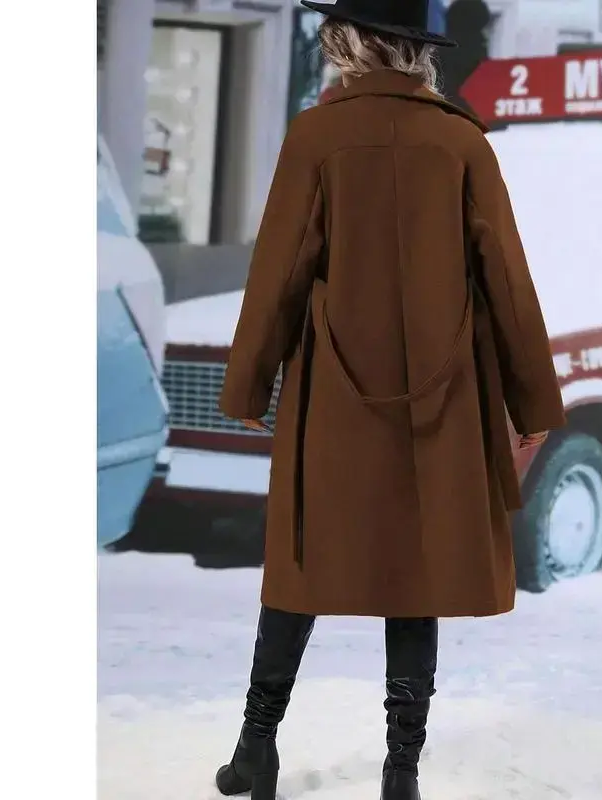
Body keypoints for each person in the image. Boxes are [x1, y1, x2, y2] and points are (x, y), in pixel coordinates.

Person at [215, 1, 566, 798]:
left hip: (331, 397)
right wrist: (534, 405)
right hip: (443, 399)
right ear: (415, 50)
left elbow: (280, 271)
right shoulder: (462, 142)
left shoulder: (317, 137)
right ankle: (400, 771)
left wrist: (249, 383)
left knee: (299, 564)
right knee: (418, 576)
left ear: (351, 41)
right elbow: (508, 281)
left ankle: (256, 750)